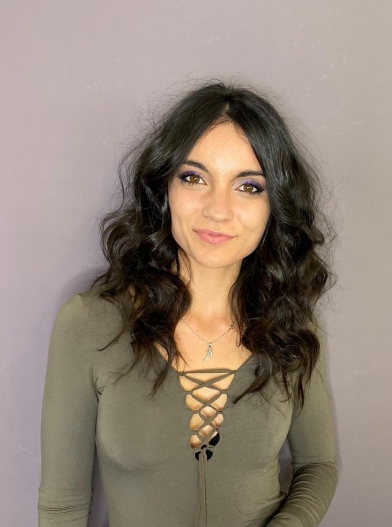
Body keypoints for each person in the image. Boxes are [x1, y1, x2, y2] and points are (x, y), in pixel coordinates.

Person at [38, 81, 337, 527]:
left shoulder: (291, 325)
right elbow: (62, 506)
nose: (218, 210)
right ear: (164, 189)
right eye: (194, 178)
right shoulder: (90, 324)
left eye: (249, 186)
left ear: (274, 205)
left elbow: (319, 465)